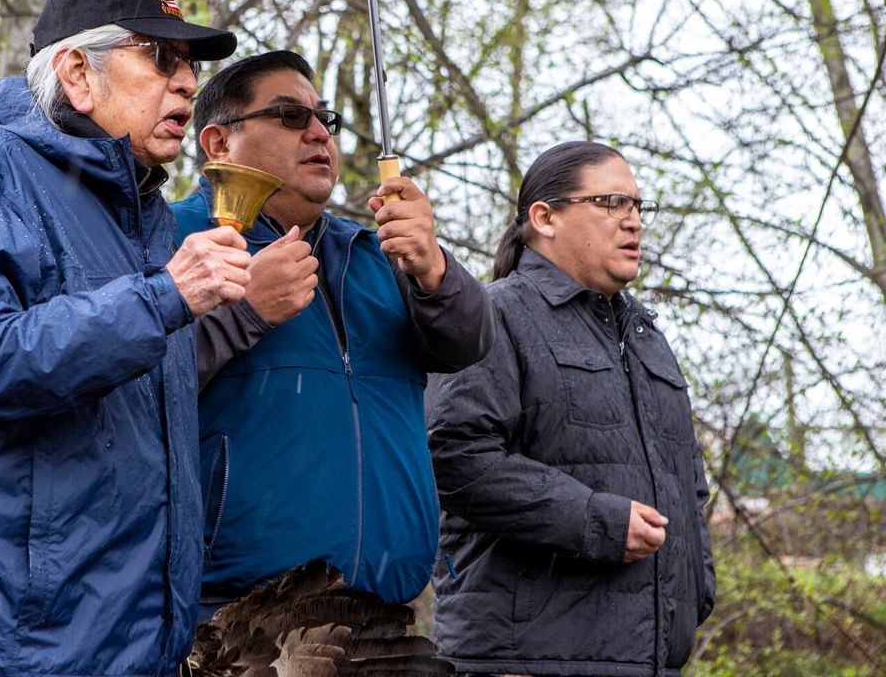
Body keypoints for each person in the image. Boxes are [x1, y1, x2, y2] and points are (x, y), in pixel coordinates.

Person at [0, 0, 251, 677]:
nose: (189, 83)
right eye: (160, 57)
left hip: (132, 646)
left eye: (191, 65)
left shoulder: (150, 214)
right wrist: (164, 297)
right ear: (77, 73)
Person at [171, 50, 494, 614]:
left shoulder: (377, 254)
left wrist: (433, 267)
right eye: (291, 116)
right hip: (231, 617)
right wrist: (245, 312)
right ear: (219, 143)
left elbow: (469, 343)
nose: (319, 132)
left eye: (326, 119)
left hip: (387, 611)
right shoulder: (170, 241)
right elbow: (128, 380)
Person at [426, 140, 716, 677]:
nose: (632, 222)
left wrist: (697, 589)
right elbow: (454, 458)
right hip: (524, 661)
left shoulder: (648, 337)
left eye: (638, 206)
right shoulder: (493, 315)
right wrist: (595, 520)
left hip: (650, 661)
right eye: (611, 203)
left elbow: (689, 485)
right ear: (545, 218)